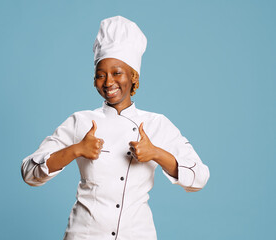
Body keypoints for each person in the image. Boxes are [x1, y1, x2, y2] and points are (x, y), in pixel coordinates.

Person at [21, 16, 210, 240]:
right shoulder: (80, 121)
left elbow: (199, 177)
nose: (108, 82)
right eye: (101, 75)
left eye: (117, 72)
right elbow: (29, 172)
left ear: (133, 76)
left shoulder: (156, 124)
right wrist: (76, 150)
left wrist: (156, 153)